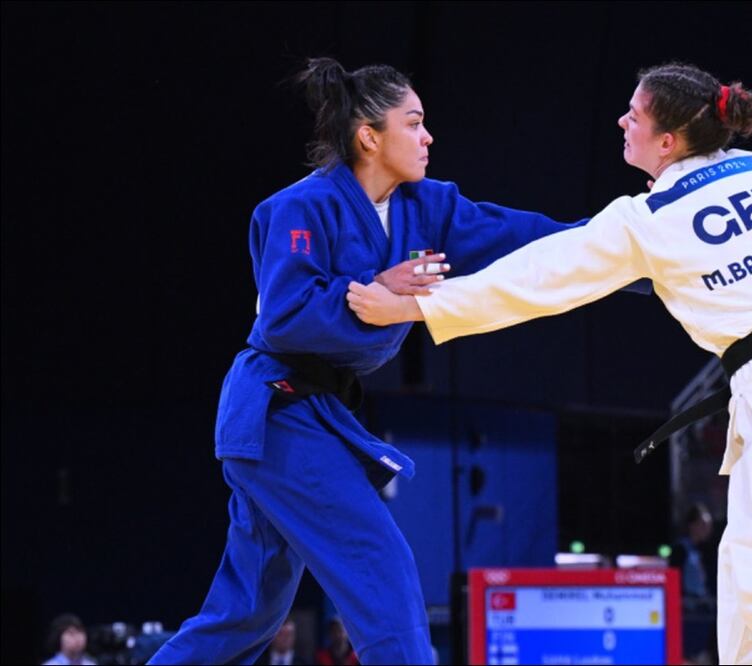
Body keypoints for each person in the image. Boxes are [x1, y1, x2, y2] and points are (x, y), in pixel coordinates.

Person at [351, 62, 752, 665]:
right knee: (749, 616)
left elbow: (536, 279)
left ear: (668, 141)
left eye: (635, 115)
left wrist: (416, 306)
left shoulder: (649, 219)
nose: (622, 121)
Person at [148, 57, 609, 665]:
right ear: (369, 136)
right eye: (413, 123)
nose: (428, 136)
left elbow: (525, 238)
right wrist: (372, 288)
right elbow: (284, 316)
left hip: (318, 411)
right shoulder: (301, 208)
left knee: (246, 612)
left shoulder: (428, 206)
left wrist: (630, 249)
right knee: (379, 565)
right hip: (276, 410)